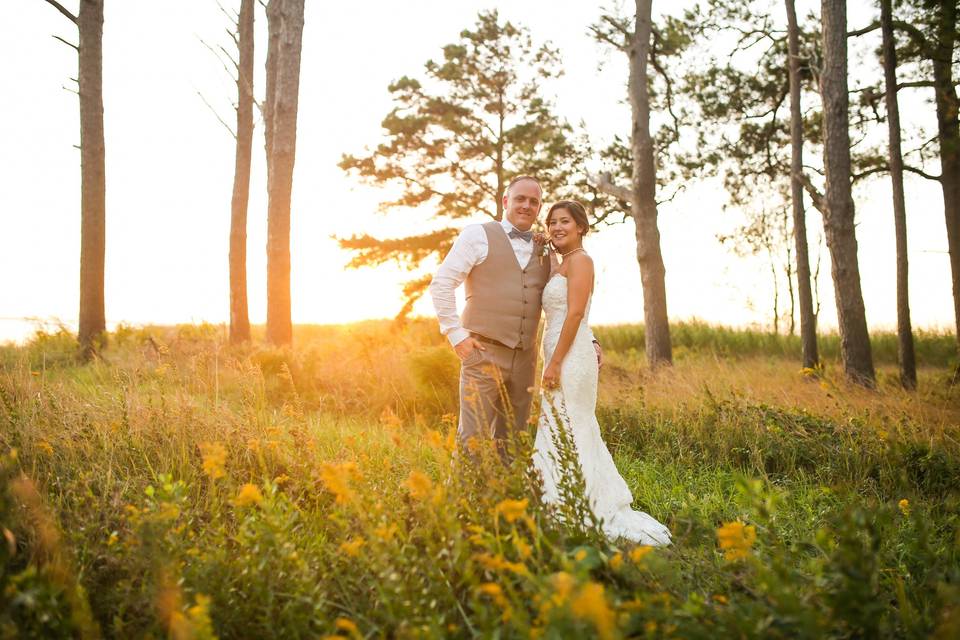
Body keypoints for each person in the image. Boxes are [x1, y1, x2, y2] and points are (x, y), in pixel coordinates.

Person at [428, 176, 601, 460]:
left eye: (534, 202)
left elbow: (570, 303)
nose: (526, 205)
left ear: (539, 208)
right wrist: (456, 335)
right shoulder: (477, 235)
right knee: (472, 438)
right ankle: (463, 503)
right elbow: (442, 283)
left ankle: (508, 502)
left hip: (525, 358)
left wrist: (590, 339)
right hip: (483, 352)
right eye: (520, 199)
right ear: (505, 201)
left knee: (514, 440)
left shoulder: (546, 250)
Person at [533, 200, 671, 546]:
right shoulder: (562, 263)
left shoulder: (582, 261)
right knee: (557, 425)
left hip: (570, 357)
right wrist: (541, 247)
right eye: (552, 223)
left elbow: (576, 314)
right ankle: (558, 498)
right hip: (560, 350)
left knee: (571, 424)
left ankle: (579, 502)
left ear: (581, 226)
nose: (557, 227)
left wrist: (555, 363)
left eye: (565, 221)